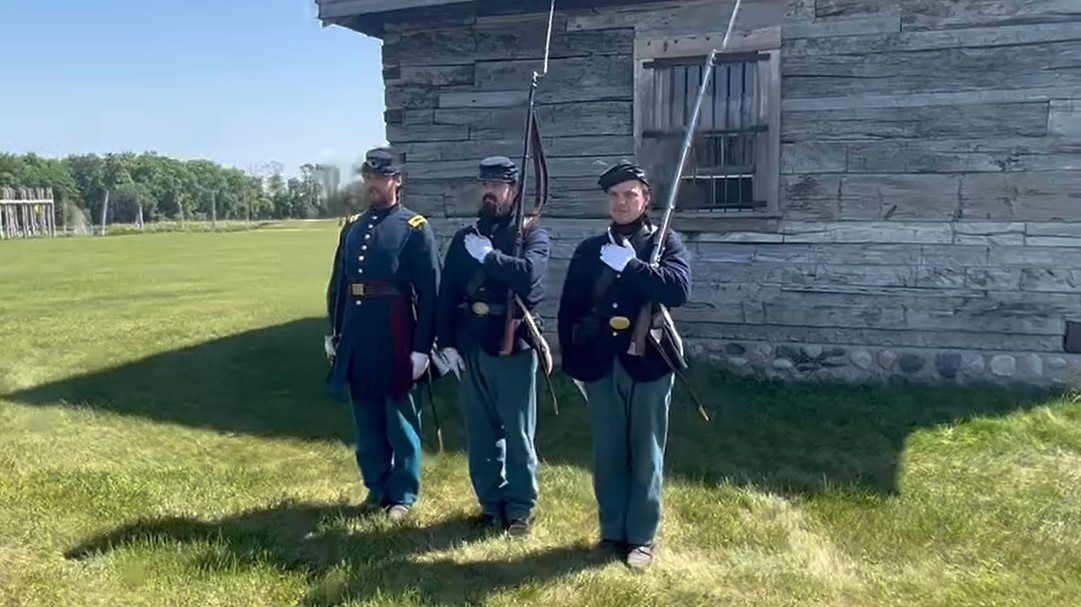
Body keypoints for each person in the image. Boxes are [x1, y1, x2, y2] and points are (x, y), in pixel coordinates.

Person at [555, 161, 691, 569]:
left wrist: (630, 267)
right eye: (614, 195)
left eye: (630, 194)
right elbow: (569, 311)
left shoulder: (667, 244)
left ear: (645, 198)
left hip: (649, 363)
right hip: (601, 363)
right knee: (608, 452)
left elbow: (678, 289)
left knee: (646, 452)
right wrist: (576, 367)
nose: (621, 202)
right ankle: (612, 531)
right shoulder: (589, 250)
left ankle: (642, 537)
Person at [434, 156, 550, 537]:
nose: (489, 193)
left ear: (513, 192)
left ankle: (519, 509)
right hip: (471, 346)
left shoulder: (531, 235)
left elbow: (529, 278)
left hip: (513, 344)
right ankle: (490, 503)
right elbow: (447, 292)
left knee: (517, 432)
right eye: (485, 185)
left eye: (497, 187)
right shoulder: (464, 237)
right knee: (481, 432)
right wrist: (447, 344)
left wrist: (490, 257)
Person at [324, 147, 441, 521]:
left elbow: (431, 293)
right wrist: (336, 332)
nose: (372, 184)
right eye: (368, 177)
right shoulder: (353, 228)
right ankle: (376, 488)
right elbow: (339, 286)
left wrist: (423, 348)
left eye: (379, 177)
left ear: (397, 181)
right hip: (359, 337)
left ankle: (403, 494)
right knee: (367, 418)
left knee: (401, 418)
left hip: (397, 335)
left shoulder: (414, 229)